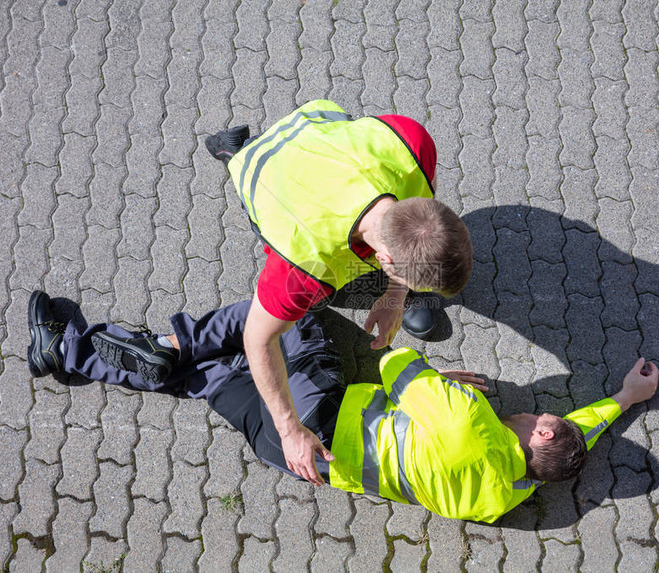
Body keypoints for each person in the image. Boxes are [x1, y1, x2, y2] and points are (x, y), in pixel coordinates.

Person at [27, 290, 659, 522]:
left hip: (321, 412)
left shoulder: (470, 421)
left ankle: (171, 342)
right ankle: (68, 353)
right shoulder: (507, 498)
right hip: (304, 460)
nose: (530, 411)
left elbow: (395, 365)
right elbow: (572, 442)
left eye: (538, 419)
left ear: (542, 430)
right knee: (212, 379)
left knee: (284, 315)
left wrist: (440, 381)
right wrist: (622, 402)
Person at [191, 99, 473, 485]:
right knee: (311, 302)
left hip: (314, 123)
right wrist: (289, 429)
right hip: (267, 171)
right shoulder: (304, 262)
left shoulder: (413, 145)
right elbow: (257, 341)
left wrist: (394, 296)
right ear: (385, 257)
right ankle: (232, 150)